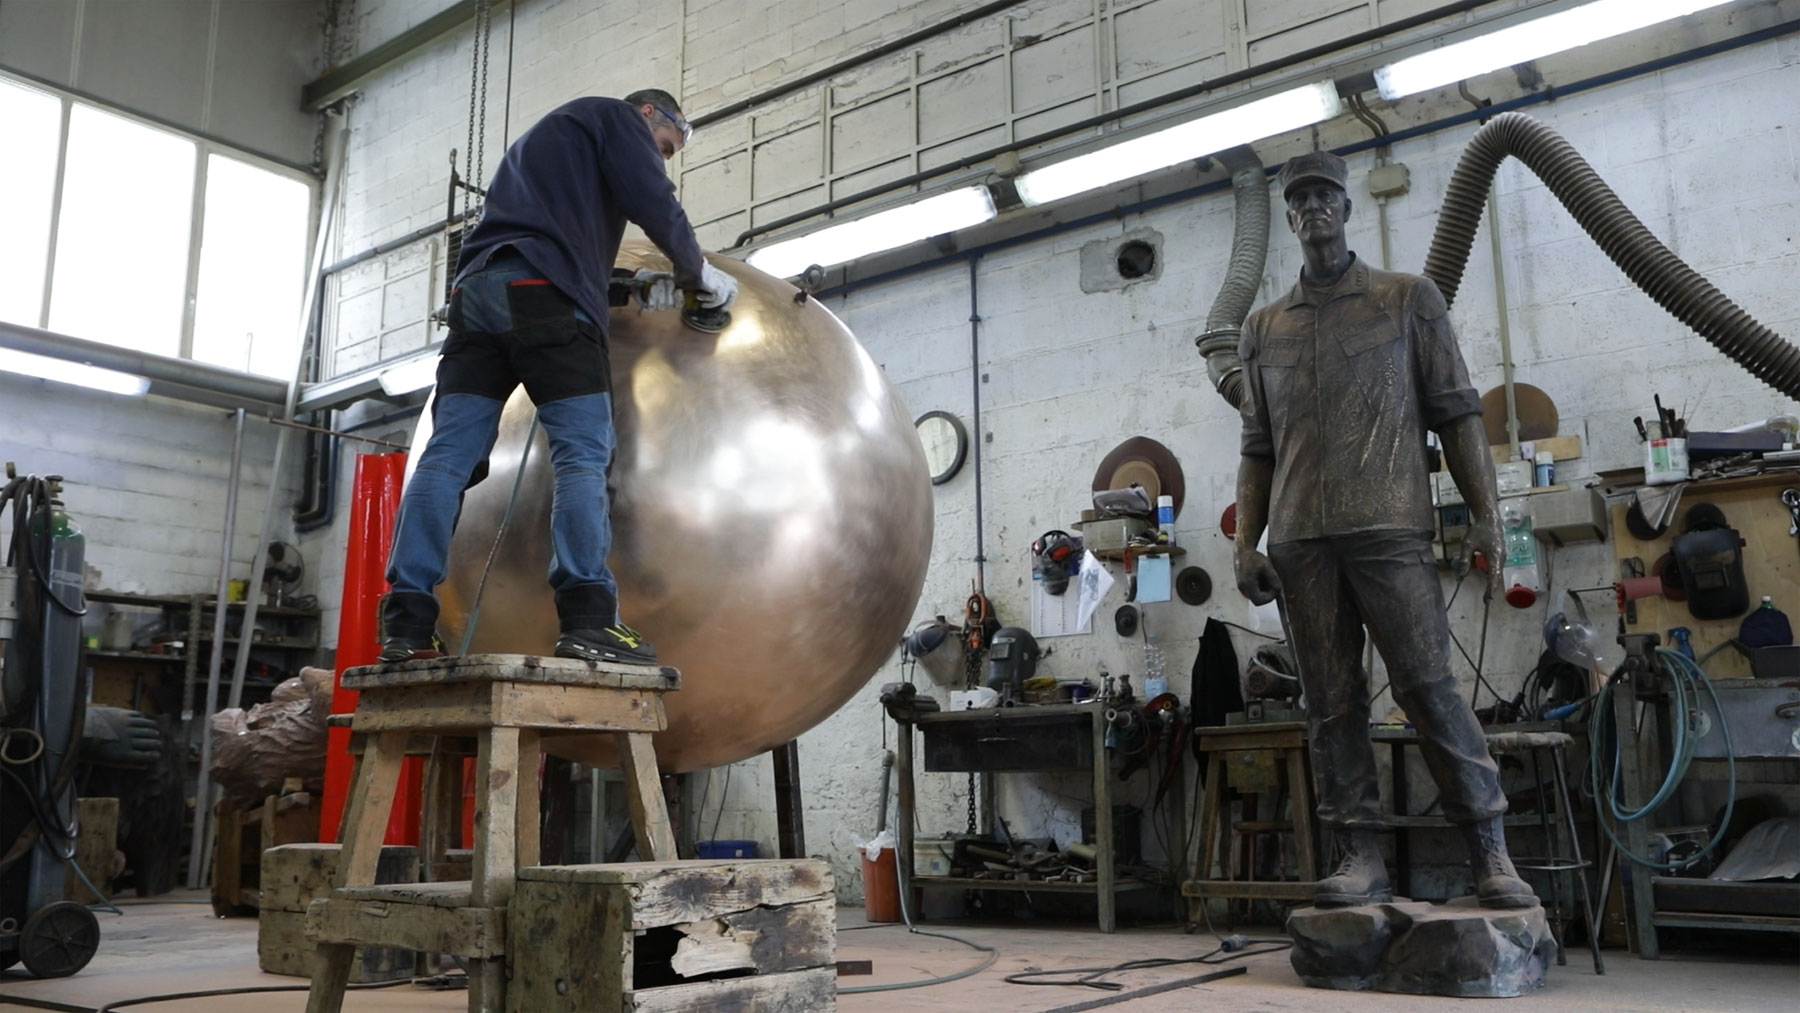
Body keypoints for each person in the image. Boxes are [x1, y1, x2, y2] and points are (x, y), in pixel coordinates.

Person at [1233, 151, 1535, 910]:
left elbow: (1458, 413)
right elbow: (1257, 448)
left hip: (1390, 526)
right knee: (1331, 703)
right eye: (1300, 198)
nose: (1314, 208)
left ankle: (1489, 849)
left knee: (1429, 687)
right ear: (1289, 216)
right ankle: (1357, 852)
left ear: (1346, 206)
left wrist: (1488, 515)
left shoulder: (1408, 300)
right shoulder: (1262, 327)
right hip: (1301, 539)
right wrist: (1244, 543)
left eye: (1325, 195)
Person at [377, 89, 737, 668]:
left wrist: (620, 286)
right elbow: (653, 200)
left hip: (476, 299)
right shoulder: (617, 117)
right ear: (650, 114)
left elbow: (542, 246)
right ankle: (588, 618)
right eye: (667, 146)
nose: (664, 158)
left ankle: (407, 623)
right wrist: (698, 273)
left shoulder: (546, 145)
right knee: (582, 456)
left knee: (444, 461)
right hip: (547, 301)